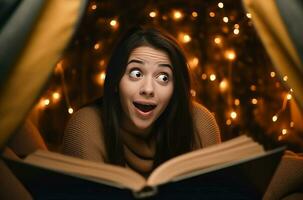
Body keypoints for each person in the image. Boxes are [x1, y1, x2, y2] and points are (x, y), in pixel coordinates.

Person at [62, 26, 221, 177]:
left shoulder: (199, 123)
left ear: (175, 89)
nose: (148, 89)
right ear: (116, 80)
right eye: (136, 73)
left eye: (163, 77)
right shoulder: (85, 125)